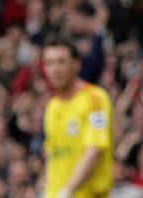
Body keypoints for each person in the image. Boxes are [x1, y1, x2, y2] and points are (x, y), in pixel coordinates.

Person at [42, 36, 114, 198]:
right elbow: (51, 155)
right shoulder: (52, 107)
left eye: (61, 62)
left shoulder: (95, 98)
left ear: (76, 65)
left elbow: (94, 150)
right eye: (49, 63)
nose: (55, 69)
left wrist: (68, 191)